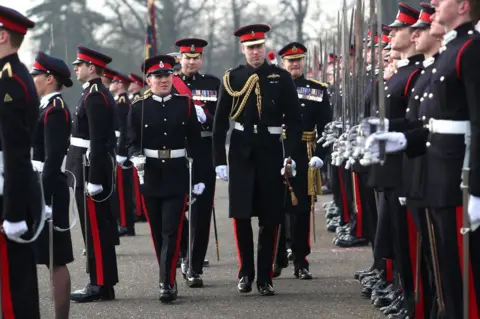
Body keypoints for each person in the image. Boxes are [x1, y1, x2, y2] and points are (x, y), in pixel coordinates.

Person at [365, 0, 480, 317]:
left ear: (463, 6)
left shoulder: (470, 50)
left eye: (443, 0)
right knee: (444, 264)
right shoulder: (451, 53)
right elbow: (431, 122)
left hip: (458, 173)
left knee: (460, 269)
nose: (435, 4)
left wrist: (478, 189)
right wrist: (399, 134)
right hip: (436, 170)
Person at [212, 24, 302, 296]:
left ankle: (265, 277)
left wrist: (291, 155)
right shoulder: (232, 78)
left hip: (270, 149)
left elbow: (295, 122)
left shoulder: (280, 77)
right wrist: (219, 160)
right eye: (250, 48)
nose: (255, 52)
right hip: (240, 150)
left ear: (265, 48)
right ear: (243, 49)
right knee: (241, 215)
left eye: (259, 47)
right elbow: (219, 124)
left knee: (270, 216)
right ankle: (245, 273)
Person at [127, 54, 205, 303]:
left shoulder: (185, 105)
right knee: (158, 232)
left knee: (172, 229)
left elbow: (195, 142)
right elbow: (130, 142)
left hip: (176, 172)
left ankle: (166, 282)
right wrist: (135, 156)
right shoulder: (139, 107)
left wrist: (199, 177)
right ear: (148, 80)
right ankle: (168, 274)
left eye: (168, 75)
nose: (164, 80)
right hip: (150, 174)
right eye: (158, 76)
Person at [272, 42, 332, 280]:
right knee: (275, 208)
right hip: (277, 150)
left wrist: (320, 155)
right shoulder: (273, 87)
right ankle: (276, 258)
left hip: (304, 153)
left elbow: (326, 127)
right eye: (290, 61)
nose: (295, 64)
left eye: (298, 60)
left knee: (301, 210)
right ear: (282, 63)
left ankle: (300, 260)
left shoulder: (316, 89)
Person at [67, 45, 119, 302]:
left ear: (91, 68)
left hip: (91, 170)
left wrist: (95, 179)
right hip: (86, 167)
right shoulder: (90, 93)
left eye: (79, 65)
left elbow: (98, 140)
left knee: (96, 230)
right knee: (94, 229)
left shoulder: (95, 96)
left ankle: (99, 284)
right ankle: (101, 282)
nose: (75, 68)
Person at [0, 6, 41, 318]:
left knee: (14, 290)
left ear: (3, 36)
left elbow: (14, 153)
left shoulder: (10, 81)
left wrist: (12, 213)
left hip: (8, 194)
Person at [174, 37, 221, 287]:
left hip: (203, 150)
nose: (191, 61)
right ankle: (182, 252)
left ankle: (194, 265)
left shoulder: (213, 84)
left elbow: (222, 122)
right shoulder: (168, 83)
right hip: (178, 151)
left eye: (195, 57)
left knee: (201, 210)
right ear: (179, 58)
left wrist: (207, 116)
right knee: (176, 207)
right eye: (187, 57)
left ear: (201, 59)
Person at [30, 51, 74, 319]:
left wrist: (44, 199)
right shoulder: (45, 107)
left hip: (49, 188)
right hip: (39, 183)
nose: (32, 78)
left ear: (49, 78)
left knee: (55, 258)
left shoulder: (55, 110)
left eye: (35, 74)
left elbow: (52, 158)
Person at [111, 71, 136, 236]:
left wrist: (121, 152)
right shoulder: (121, 102)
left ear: (120, 84)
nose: (111, 83)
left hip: (122, 150)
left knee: (122, 190)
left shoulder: (122, 103)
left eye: (114, 81)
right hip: (119, 148)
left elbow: (124, 130)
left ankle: (126, 224)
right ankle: (124, 223)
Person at [127, 72, 148, 223]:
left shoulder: (138, 101)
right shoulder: (133, 100)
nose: (129, 85)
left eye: (132, 83)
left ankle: (140, 211)